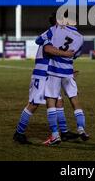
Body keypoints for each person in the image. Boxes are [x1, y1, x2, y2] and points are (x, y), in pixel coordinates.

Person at [13, 14, 79, 145]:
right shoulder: (51, 34)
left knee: (59, 102)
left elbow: (56, 56)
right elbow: (48, 49)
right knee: (34, 104)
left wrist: (68, 71)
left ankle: (64, 132)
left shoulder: (58, 35)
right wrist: (66, 54)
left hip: (52, 74)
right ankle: (19, 133)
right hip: (42, 74)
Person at [42, 13, 89, 146]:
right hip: (68, 72)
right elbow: (75, 55)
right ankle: (81, 128)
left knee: (51, 101)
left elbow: (43, 43)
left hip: (54, 71)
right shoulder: (81, 37)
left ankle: (55, 135)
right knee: (75, 100)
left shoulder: (58, 29)